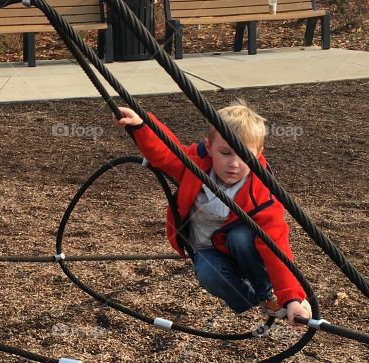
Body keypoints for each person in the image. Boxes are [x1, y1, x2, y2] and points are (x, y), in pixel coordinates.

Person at [115, 101, 312, 330]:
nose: (234, 164)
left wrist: (292, 297)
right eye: (225, 153)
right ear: (208, 147)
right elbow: (166, 152)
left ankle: (267, 293)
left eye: (244, 156)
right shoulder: (196, 165)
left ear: (258, 153)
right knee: (207, 272)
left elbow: (276, 245)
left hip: (243, 251)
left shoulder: (262, 194)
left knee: (240, 236)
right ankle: (253, 299)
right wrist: (141, 124)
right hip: (208, 249)